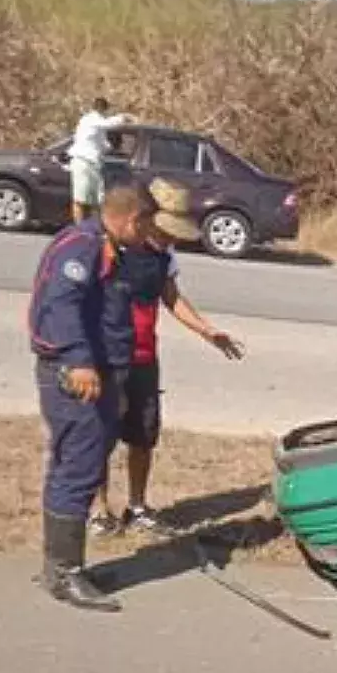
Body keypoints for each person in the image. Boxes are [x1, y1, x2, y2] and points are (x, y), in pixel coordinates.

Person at [27, 178, 192, 611]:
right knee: (78, 469)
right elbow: (61, 305)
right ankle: (64, 574)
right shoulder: (81, 247)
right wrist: (80, 361)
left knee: (77, 465)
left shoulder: (110, 246)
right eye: (146, 228)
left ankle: (62, 564)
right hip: (79, 375)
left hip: (105, 373)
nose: (147, 239)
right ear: (133, 219)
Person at [88, 196, 246, 538]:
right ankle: (100, 510)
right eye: (167, 231)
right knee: (101, 436)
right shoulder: (110, 247)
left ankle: (138, 506)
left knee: (144, 436)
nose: (172, 239)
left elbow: (171, 297)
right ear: (146, 222)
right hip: (109, 357)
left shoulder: (165, 257)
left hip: (145, 357)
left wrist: (206, 330)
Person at [65, 97, 135, 226]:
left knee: (97, 200)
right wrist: (123, 117)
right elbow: (107, 124)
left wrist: (113, 146)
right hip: (83, 162)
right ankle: (80, 228)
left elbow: (103, 145)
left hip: (94, 164)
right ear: (103, 109)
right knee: (80, 199)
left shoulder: (98, 127)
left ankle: (93, 227)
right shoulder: (90, 119)